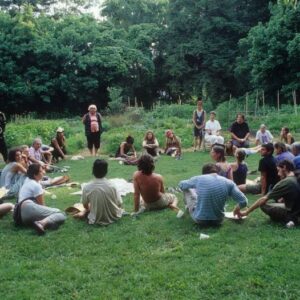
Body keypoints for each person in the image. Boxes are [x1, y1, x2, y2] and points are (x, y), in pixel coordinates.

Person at [178, 163, 248, 226]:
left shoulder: (198, 179)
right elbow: (244, 201)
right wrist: (237, 209)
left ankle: (188, 209)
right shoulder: (228, 182)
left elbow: (181, 184)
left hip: (200, 219)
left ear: (203, 173)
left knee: (186, 188)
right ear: (217, 172)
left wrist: (193, 188)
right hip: (218, 220)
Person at [235, 160, 300, 227]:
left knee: (263, 204)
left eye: (278, 170)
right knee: (274, 201)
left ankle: (290, 219)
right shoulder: (296, 176)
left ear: (284, 167)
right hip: (297, 209)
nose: (278, 174)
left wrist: (247, 212)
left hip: (293, 212)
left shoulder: (287, 181)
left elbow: (263, 199)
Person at [18, 163, 66, 235]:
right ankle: (41, 223)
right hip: (29, 208)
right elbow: (42, 205)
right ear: (35, 175)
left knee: (49, 213)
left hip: (21, 216)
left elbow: (46, 182)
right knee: (61, 214)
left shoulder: (28, 180)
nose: (43, 172)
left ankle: (43, 222)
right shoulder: (36, 186)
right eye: (41, 171)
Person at [73, 159, 123, 225]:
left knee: (78, 205)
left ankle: (83, 213)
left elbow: (85, 205)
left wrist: (88, 209)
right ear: (106, 171)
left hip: (95, 218)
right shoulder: (112, 185)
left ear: (93, 170)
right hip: (114, 216)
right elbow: (119, 203)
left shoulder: (87, 187)